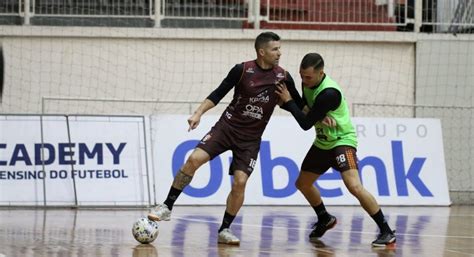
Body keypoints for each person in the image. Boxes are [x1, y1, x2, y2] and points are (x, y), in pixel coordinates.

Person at [148, 32, 304, 245]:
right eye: (275, 49)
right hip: (227, 127)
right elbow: (218, 93)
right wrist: (198, 113)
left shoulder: (283, 77)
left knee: (240, 183)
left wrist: (311, 110)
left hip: (250, 139)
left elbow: (299, 105)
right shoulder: (242, 70)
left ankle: (225, 229)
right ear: (262, 51)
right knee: (194, 159)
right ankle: (167, 206)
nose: (280, 53)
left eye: (279, 48)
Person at [275, 53, 396, 247]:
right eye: (301, 76)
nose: (303, 80)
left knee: (354, 186)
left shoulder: (329, 93)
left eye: (308, 77)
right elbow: (303, 106)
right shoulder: (307, 83)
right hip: (323, 143)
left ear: (321, 73)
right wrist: (306, 110)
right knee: (303, 183)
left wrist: (288, 103)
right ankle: (324, 217)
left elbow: (305, 123)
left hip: (342, 141)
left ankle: (386, 231)